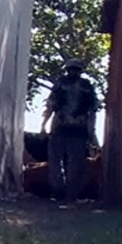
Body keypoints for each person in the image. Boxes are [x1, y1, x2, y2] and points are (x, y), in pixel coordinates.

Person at [40, 59, 100, 203]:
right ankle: (64, 193)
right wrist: (92, 134)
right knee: (69, 164)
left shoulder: (62, 84)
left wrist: (43, 125)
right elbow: (92, 111)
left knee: (67, 164)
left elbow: (51, 106)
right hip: (68, 129)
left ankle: (64, 193)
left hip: (69, 130)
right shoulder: (85, 87)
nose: (73, 72)